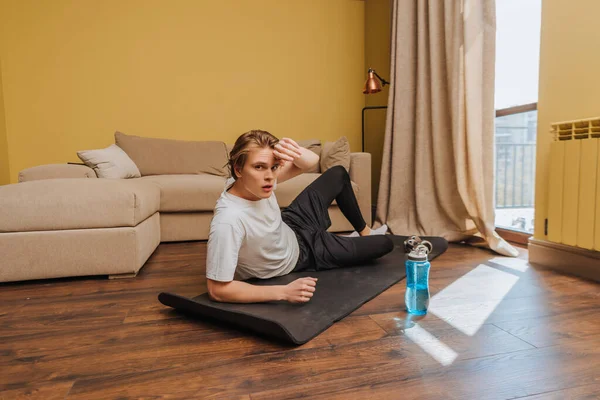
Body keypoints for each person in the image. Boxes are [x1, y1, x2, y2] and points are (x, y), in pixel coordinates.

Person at [206, 130, 394, 304]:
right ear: (238, 170)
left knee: (338, 174)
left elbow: (310, 161)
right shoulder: (228, 221)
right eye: (259, 167)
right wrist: (284, 292)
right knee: (384, 243)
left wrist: (287, 148)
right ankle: (339, 242)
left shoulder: (252, 181)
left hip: (290, 224)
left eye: (274, 167)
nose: (270, 177)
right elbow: (217, 289)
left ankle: (364, 232)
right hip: (303, 254)